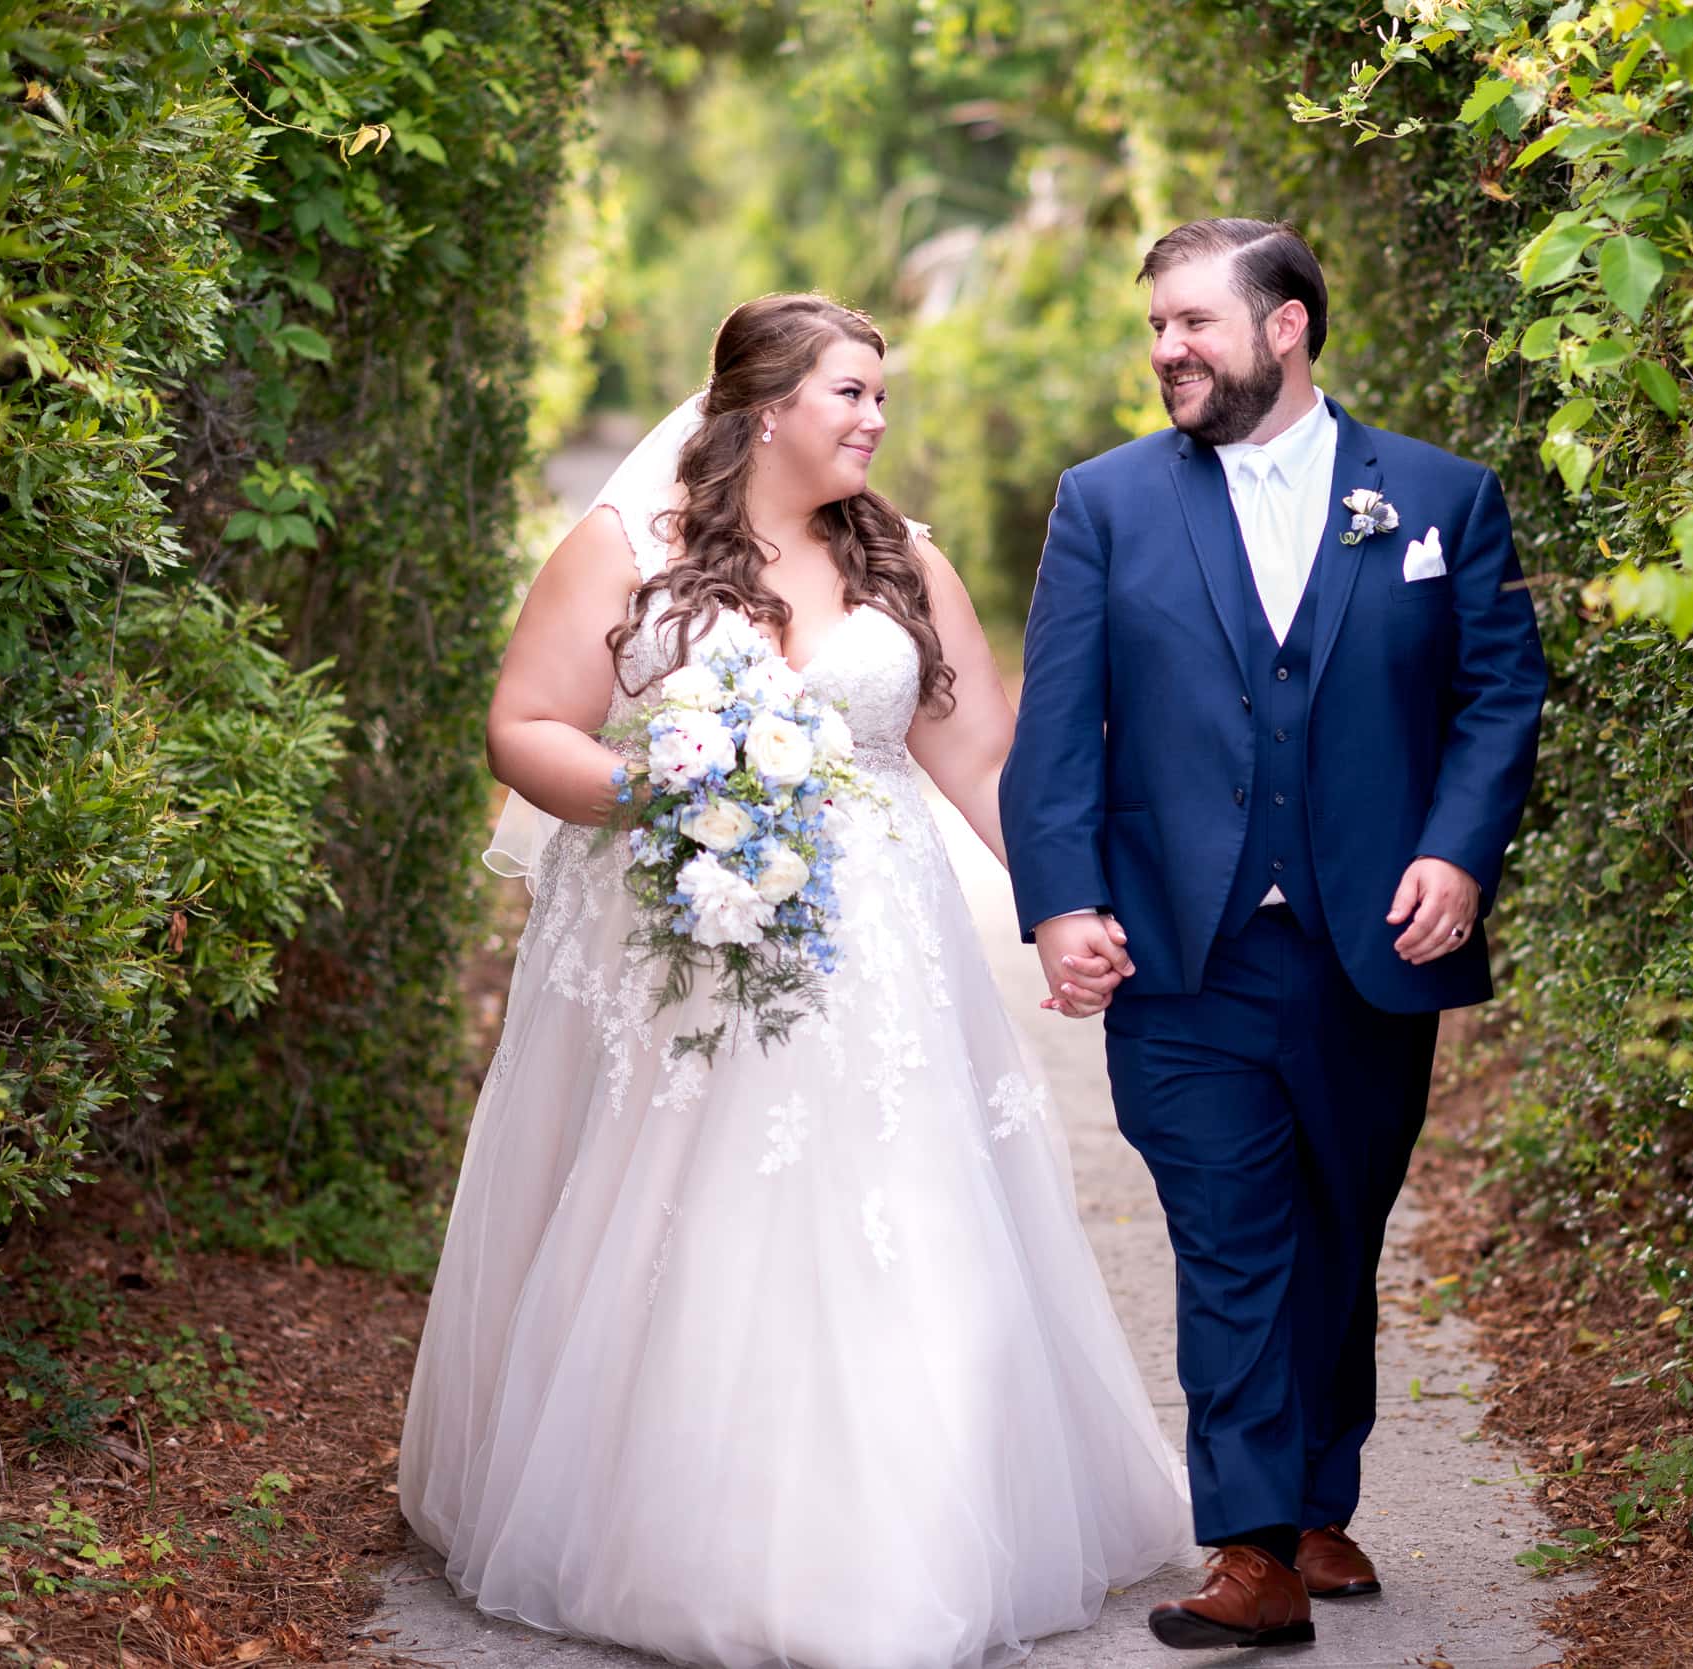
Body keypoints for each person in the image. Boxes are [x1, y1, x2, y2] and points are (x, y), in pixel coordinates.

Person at [398, 292, 1192, 1669]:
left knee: (910, 1214)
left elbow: (984, 763)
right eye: (851, 395)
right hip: (687, 939)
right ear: (766, 406)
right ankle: (693, 1524)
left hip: (883, 950)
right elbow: (525, 726)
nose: (878, 421)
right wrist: (657, 785)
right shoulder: (623, 553)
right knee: (696, 1216)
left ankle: (915, 1535)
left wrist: (1066, 908)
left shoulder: (906, 564)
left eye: (883, 397)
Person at [1002, 219, 1549, 1651]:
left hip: (1377, 942)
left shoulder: (1439, 496)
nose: (1169, 349)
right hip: (1185, 950)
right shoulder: (1107, 504)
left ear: (1288, 325)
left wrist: (1457, 850)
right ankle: (1250, 1549)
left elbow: (1500, 692)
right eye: (1157, 328)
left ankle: (1315, 1492)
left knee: (1337, 1224)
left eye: (1194, 322)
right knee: (1234, 1234)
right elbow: (1055, 729)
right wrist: (1064, 900)